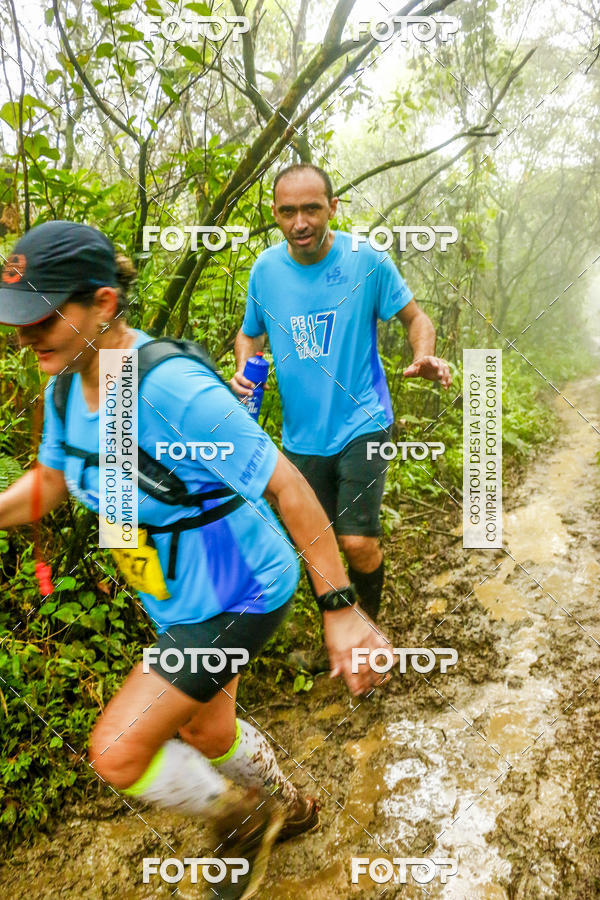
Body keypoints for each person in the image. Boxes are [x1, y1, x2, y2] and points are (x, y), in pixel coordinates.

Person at [0, 220, 391, 899]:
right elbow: (54, 482)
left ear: (103, 303)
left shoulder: (171, 387)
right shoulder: (72, 384)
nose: (26, 333)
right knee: (208, 729)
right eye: (17, 318)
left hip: (238, 589)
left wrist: (340, 607)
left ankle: (245, 819)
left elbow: (284, 483)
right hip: (175, 594)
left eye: (43, 315)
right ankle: (291, 809)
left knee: (118, 749)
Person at [232, 164, 451, 633]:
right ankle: (341, 634)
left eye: (312, 208)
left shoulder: (366, 260)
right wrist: (242, 371)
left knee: (356, 542)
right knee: (317, 544)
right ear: (275, 214)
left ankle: (368, 632)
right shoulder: (266, 271)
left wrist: (425, 355)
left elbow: (417, 319)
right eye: (288, 211)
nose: (301, 222)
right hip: (302, 436)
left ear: (333, 207)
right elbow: (248, 335)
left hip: (364, 422)